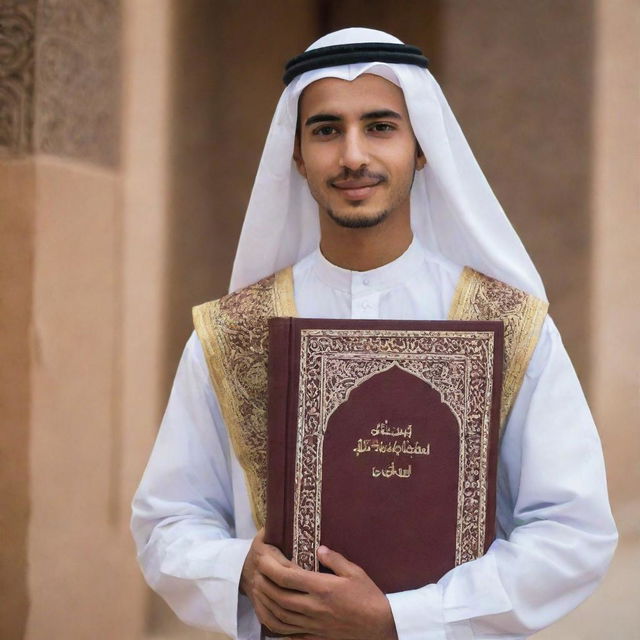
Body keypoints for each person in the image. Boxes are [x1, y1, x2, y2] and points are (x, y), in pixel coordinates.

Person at [131, 28, 617, 640]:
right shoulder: (235, 332)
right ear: (298, 154)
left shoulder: (510, 325)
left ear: (420, 148)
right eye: (327, 130)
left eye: (381, 126)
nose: (353, 156)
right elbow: (166, 521)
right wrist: (239, 571)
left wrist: (400, 621)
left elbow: (574, 532)